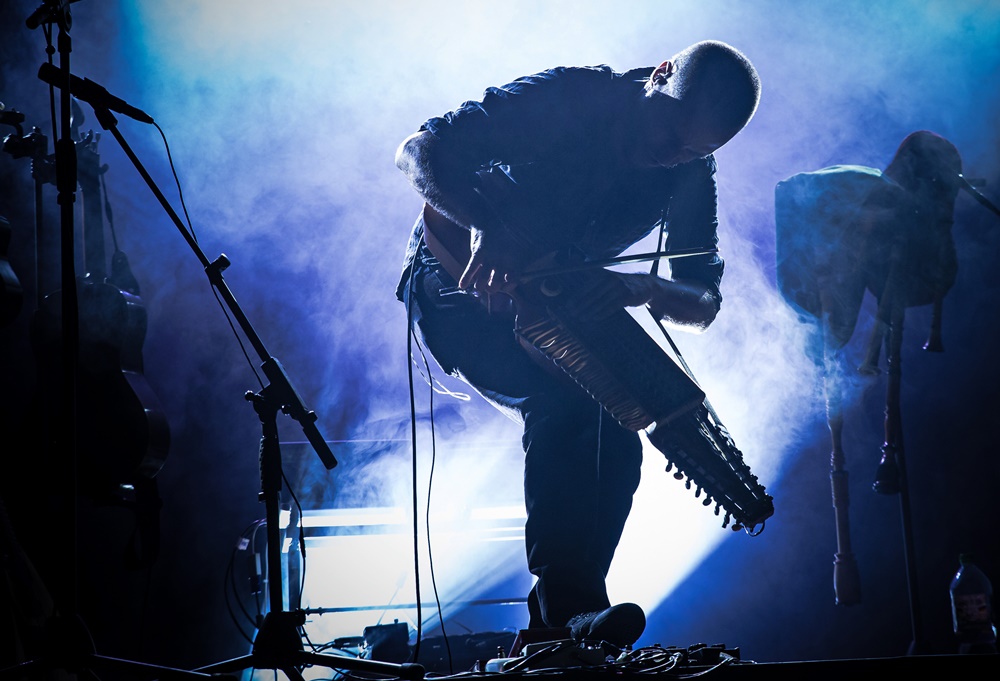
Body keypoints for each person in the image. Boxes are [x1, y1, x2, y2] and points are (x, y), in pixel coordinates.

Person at [394, 40, 761, 647]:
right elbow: (419, 151)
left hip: (555, 303)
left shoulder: (690, 169)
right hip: (454, 282)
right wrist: (484, 223)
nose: (668, 156)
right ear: (661, 75)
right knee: (564, 404)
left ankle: (559, 626)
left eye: (691, 151)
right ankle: (571, 610)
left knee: (620, 434)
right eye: (671, 131)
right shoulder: (573, 95)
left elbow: (703, 299)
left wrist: (640, 285)